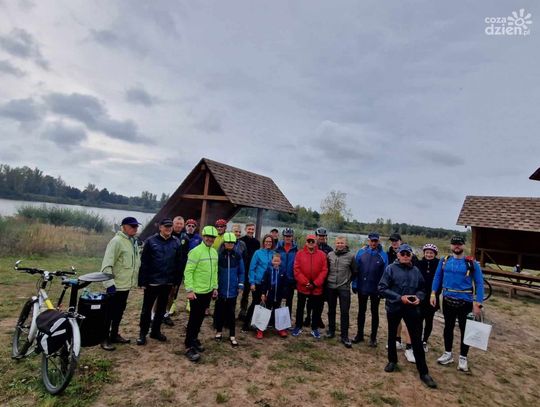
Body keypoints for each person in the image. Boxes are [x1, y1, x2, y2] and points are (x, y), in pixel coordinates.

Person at [378, 244, 437, 389]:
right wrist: (399, 297)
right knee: (392, 335)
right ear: (398, 255)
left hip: (412, 308)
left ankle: (423, 372)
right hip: (394, 306)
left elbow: (422, 288)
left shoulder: (416, 271)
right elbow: (382, 288)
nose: (405, 256)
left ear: (411, 256)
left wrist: (419, 297)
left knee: (416, 339)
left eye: (407, 254)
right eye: (402, 253)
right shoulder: (390, 269)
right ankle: (392, 361)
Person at [431, 236, 484, 372]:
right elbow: (437, 277)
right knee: (448, 328)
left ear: (463, 246)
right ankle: (448, 353)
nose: (457, 246)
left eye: (459, 244)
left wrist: (478, 303)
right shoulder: (444, 260)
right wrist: (433, 293)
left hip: (465, 302)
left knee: (465, 330)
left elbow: (479, 283)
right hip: (447, 300)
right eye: (454, 244)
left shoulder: (471, 263)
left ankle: (463, 357)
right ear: (451, 246)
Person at [137, 218, 183, 345]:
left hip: (168, 282)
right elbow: (144, 263)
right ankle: (142, 333)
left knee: (161, 309)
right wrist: (143, 281)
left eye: (170, 226)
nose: (168, 229)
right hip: (152, 282)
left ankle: (155, 331)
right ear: (160, 227)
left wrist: (176, 281)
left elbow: (179, 263)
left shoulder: (176, 242)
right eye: (166, 226)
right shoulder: (151, 241)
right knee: (146, 309)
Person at [100, 216, 141, 351]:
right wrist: (109, 284)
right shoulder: (116, 241)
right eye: (132, 226)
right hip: (115, 286)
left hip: (125, 285)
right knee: (109, 313)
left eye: (136, 226)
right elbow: (107, 265)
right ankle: (104, 338)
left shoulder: (132, 241)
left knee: (119, 312)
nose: (135, 228)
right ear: (123, 227)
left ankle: (114, 335)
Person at [184, 225, 219, 362]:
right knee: (193, 319)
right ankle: (188, 346)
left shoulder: (214, 252)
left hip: (208, 291)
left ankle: (194, 339)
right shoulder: (195, 251)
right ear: (203, 236)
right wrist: (189, 290)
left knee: (200, 318)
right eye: (208, 236)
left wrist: (215, 287)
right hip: (196, 292)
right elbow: (188, 271)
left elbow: (215, 271)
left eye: (213, 237)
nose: (210, 239)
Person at [352, 232, 388, 347]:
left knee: (374, 312)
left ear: (378, 241)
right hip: (362, 286)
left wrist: (382, 289)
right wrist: (354, 284)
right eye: (372, 241)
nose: (373, 243)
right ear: (368, 241)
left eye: (375, 241)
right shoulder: (361, 252)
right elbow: (356, 270)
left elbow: (385, 274)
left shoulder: (383, 255)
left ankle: (373, 337)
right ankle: (359, 335)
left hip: (375, 289)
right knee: (361, 311)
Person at [292, 234, 328, 339]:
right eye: (309, 241)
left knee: (316, 309)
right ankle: (298, 326)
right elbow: (296, 269)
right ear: (306, 242)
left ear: (316, 242)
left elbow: (324, 270)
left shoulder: (322, 254)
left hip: (317, 287)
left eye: (313, 241)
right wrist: (305, 282)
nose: (311, 243)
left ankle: (314, 328)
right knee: (300, 307)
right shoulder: (299, 253)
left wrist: (316, 283)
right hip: (303, 286)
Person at [214, 232, 245, 347]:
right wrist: (215, 286)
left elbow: (241, 271)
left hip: (233, 289)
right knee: (220, 312)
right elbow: (215, 271)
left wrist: (240, 284)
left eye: (232, 243)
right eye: (228, 242)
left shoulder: (237, 255)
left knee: (231, 313)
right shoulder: (219, 255)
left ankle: (232, 335)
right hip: (221, 289)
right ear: (224, 243)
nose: (230, 244)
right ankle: (219, 331)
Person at [326, 236, 357, 348]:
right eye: (338, 243)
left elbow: (355, 271)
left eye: (342, 243)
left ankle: (344, 336)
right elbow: (327, 269)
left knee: (344, 312)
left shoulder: (351, 256)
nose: (340, 245)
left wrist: (348, 281)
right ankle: (331, 331)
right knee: (331, 310)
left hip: (344, 288)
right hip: (331, 286)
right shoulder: (330, 255)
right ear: (335, 244)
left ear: (345, 244)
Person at [242, 234, 275, 333]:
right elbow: (252, 268)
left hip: (269, 284)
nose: (268, 243)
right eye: (266, 241)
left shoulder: (274, 253)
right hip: (258, 282)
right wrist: (252, 282)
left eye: (270, 242)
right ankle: (246, 324)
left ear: (272, 243)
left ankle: (260, 324)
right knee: (255, 303)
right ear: (263, 242)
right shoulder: (258, 253)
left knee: (266, 304)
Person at [162, 215, 190, 326]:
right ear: (173, 224)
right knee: (161, 295)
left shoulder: (185, 238)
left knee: (172, 295)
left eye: (181, 224)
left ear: (183, 225)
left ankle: (166, 315)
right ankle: (155, 315)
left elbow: (186, 256)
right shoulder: (167, 235)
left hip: (178, 272)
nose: (179, 225)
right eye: (177, 223)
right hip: (166, 271)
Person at [304, 227, 333, 328]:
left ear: (325, 237)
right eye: (319, 236)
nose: (321, 237)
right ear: (316, 236)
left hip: (323, 279)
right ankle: (308, 317)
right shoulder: (311, 246)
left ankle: (318, 318)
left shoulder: (329, 249)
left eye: (323, 236)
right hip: (311, 277)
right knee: (310, 300)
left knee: (320, 301)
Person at [417, 243, 440, 353]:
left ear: (435, 254)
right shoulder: (419, 263)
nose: (429, 255)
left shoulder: (439, 265)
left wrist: (436, 293)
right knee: (419, 319)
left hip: (433, 296)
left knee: (429, 319)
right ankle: (417, 339)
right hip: (421, 295)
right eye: (427, 252)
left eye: (431, 253)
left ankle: (425, 340)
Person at [260, 253, 289, 338]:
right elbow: (264, 283)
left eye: (278, 261)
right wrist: (263, 293)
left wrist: (284, 296)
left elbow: (285, 285)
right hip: (269, 295)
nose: (276, 262)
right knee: (266, 312)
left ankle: (281, 329)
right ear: (271, 261)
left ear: (280, 262)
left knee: (279, 312)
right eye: (274, 261)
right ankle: (260, 329)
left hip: (279, 296)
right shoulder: (268, 270)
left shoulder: (283, 271)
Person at [238, 223, 261, 320]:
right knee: (243, 292)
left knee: (250, 292)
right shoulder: (241, 240)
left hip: (252, 269)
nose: (251, 231)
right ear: (245, 229)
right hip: (243, 268)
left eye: (252, 229)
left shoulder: (256, 242)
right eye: (249, 229)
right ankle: (242, 311)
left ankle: (249, 313)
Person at [275, 228, 298, 318]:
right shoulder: (278, 248)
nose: (288, 238)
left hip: (290, 279)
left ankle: (286, 320)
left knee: (289, 301)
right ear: (283, 237)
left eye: (289, 236)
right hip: (279, 278)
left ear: (292, 237)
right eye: (286, 236)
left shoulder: (296, 249)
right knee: (277, 300)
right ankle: (275, 319)